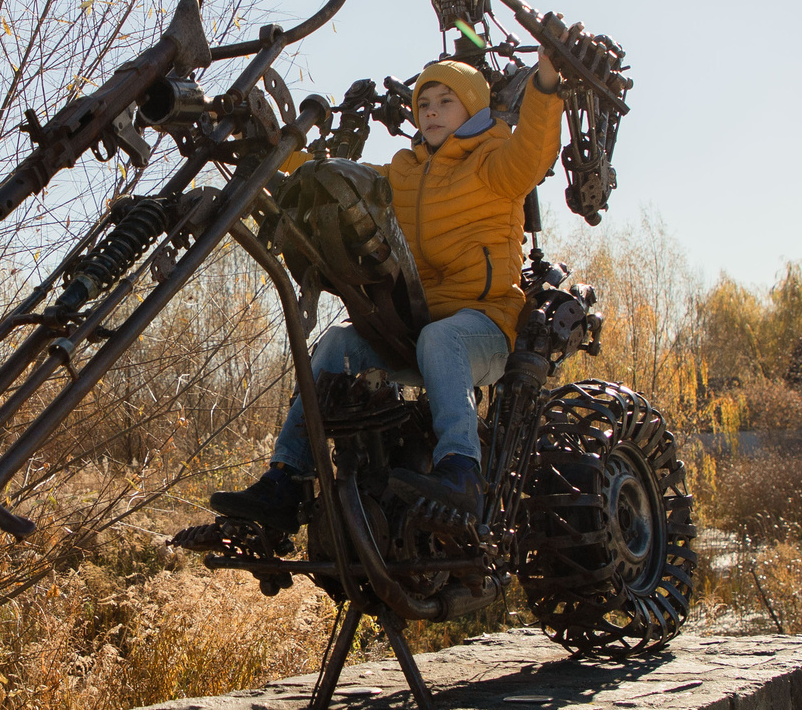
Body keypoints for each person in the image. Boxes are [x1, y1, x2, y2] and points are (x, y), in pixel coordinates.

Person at [210, 43, 564, 526]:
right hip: (416, 333)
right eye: (425, 103)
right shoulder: (403, 173)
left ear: (473, 108)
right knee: (336, 343)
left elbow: (535, 149)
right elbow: (340, 176)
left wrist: (546, 84)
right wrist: (270, 151)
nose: (432, 111)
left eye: (446, 101)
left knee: (443, 337)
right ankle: (287, 478)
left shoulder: (496, 163)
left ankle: (461, 470)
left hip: (484, 331)